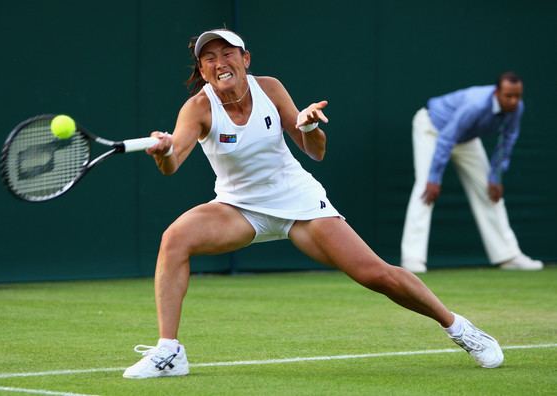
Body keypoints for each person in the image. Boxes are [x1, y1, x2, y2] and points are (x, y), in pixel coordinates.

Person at [123, 29, 504, 379]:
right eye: (209, 58)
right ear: (203, 72)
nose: (220, 62)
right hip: (239, 208)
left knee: (377, 275)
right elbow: (174, 163)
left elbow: (314, 152)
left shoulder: (270, 89)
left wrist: (308, 127)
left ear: (246, 59)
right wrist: (163, 151)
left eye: (227, 53)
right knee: (175, 239)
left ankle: (459, 327)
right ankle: (170, 351)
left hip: (299, 202)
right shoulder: (198, 108)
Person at [400, 73, 544, 274]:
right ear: (497, 93)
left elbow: (507, 141)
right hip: (433, 129)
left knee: (489, 191)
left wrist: (496, 176)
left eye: (517, 96)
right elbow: (447, 139)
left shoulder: (516, 109)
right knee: (425, 189)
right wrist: (434, 178)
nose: (513, 101)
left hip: (466, 139)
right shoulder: (476, 105)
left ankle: (508, 255)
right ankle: (412, 259)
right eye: (508, 96)